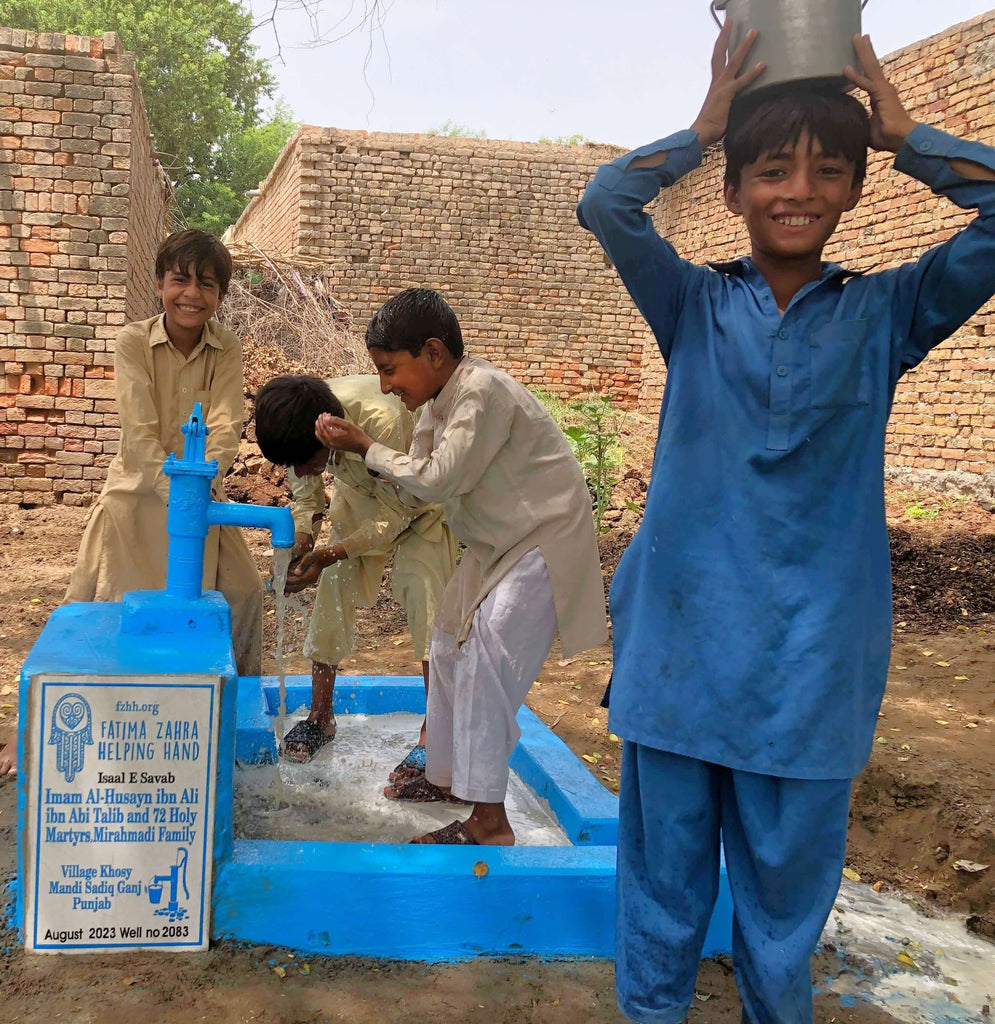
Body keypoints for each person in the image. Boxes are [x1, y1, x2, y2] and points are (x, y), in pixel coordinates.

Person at [576, 23, 995, 1024]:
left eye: (825, 169)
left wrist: (905, 134)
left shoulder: (885, 314)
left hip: (807, 674)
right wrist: (703, 125)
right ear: (730, 192)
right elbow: (606, 202)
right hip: (677, 660)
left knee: (779, 924)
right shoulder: (688, 303)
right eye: (768, 169)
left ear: (854, 190)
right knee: (661, 900)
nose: (796, 188)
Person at [316, 288, 608, 845]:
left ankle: (490, 823)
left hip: (541, 540)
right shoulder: (436, 405)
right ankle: (449, 779)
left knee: (484, 665)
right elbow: (421, 481)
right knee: (447, 644)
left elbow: (438, 479)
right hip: (494, 546)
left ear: (432, 352)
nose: (385, 386)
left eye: (390, 369)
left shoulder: (481, 392)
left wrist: (364, 445)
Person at [64, 230, 262, 677]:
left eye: (207, 284)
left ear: (221, 295)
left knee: (245, 591)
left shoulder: (226, 347)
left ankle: (238, 705)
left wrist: (201, 484)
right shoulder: (133, 341)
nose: (192, 295)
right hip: (135, 493)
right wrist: (170, 489)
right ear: (159, 285)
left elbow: (227, 423)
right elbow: (138, 428)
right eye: (180, 280)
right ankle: (47, 717)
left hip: (202, 494)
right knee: (105, 601)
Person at [253, 374, 456, 770]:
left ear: (327, 437)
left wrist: (335, 551)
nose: (301, 470)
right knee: (332, 595)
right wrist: (305, 539)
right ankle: (320, 717)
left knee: (430, 609)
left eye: (306, 462)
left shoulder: (384, 421)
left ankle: (436, 736)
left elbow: (402, 509)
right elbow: (306, 494)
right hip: (360, 497)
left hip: (420, 504)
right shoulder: (300, 425)